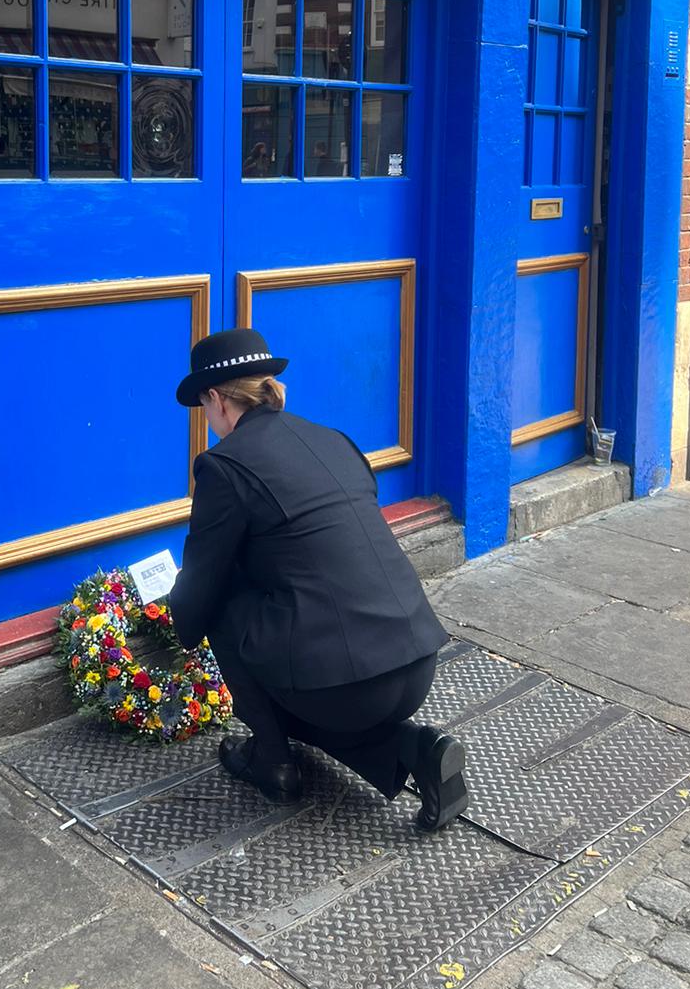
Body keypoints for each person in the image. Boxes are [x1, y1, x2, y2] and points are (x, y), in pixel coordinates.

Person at [169, 327, 468, 831]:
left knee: (219, 604)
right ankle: (415, 747)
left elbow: (202, 579)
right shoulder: (334, 440)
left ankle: (273, 761)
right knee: (317, 671)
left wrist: (177, 628)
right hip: (416, 661)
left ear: (216, 399)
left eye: (203, 405)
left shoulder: (224, 465)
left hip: (340, 684)